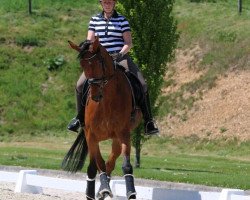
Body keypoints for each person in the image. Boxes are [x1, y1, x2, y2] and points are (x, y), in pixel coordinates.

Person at [67, 0, 159, 136]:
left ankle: (148, 122)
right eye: (105, 2)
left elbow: (128, 43)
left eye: (110, 2)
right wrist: (87, 48)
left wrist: (120, 54)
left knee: (143, 84)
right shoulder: (94, 20)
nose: (107, 4)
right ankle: (79, 118)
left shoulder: (122, 20)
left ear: (114, 3)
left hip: (119, 57)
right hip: (99, 60)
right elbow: (90, 41)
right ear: (101, 3)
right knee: (80, 85)